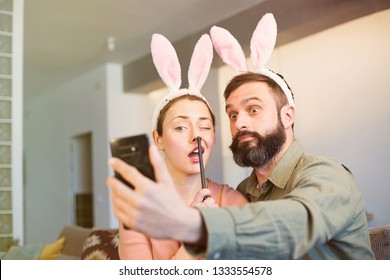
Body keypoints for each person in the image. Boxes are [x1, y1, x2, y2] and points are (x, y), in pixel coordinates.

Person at [107, 13, 374, 259]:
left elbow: (298, 222)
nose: (240, 123)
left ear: (288, 116)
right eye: (232, 115)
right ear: (159, 138)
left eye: (253, 109)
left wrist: (194, 226)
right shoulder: (247, 192)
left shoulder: (326, 175)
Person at [111, 33, 247, 260]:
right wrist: (197, 237)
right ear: (158, 138)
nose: (196, 136)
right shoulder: (139, 208)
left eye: (205, 127)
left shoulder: (232, 202)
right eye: (181, 128)